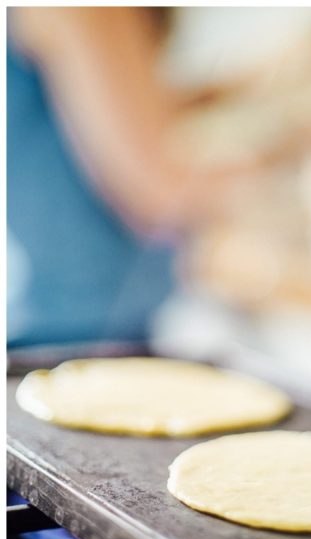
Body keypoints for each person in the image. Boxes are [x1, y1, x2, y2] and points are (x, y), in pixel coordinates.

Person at [7, 7, 250, 347]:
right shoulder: (92, 12)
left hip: (88, 327)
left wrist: (266, 83)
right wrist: (297, 151)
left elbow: (137, 112)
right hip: (64, 336)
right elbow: (165, 192)